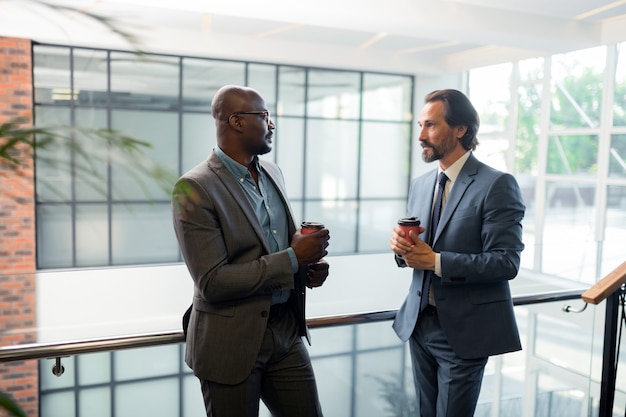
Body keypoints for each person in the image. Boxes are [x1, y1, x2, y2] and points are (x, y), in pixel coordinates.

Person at [172, 85, 330, 417]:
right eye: (265, 116)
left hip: (286, 332)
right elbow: (213, 281)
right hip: (230, 343)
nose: (271, 124)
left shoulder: (273, 172)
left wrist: (305, 270)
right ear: (237, 122)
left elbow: (278, 247)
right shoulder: (194, 187)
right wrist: (292, 258)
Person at [389, 89, 525, 417]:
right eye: (420, 126)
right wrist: (401, 249)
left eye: (431, 126)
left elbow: (507, 261)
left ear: (461, 129)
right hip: (419, 324)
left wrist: (435, 261)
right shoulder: (421, 184)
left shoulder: (497, 184)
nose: (421, 135)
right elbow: (416, 252)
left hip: (464, 333)